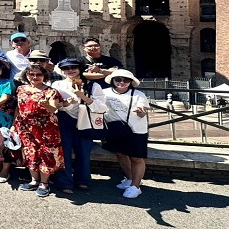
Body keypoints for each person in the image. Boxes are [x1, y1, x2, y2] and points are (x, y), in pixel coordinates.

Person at [52, 58, 107, 193]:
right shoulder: (57, 84)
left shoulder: (92, 85)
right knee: (64, 152)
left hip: (85, 120)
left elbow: (101, 107)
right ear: (62, 71)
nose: (70, 70)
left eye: (73, 67)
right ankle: (65, 182)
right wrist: (63, 104)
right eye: (66, 68)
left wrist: (82, 96)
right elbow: (54, 104)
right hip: (64, 119)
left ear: (80, 69)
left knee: (83, 151)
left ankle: (82, 180)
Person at [14, 65, 65, 198]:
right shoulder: (21, 89)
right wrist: (14, 124)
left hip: (46, 128)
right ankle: (34, 180)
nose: (35, 77)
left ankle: (44, 183)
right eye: (31, 74)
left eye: (38, 74)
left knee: (46, 154)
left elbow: (53, 109)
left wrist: (46, 105)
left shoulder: (50, 92)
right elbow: (18, 108)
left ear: (44, 76)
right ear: (26, 75)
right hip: (25, 127)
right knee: (30, 153)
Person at [103, 69, 150, 199]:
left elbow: (142, 111)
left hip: (135, 130)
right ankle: (129, 179)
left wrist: (140, 112)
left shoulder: (138, 94)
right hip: (115, 128)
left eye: (125, 80)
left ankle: (136, 186)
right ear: (112, 80)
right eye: (118, 79)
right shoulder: (104, 93)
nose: (121, 82)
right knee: (121, 154)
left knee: (136, 158)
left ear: (130, 82)